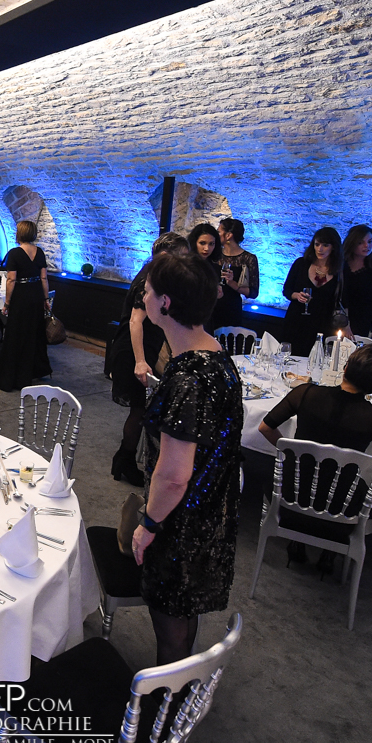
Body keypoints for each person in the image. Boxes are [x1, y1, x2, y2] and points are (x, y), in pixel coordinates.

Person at [129, 252, 244, 665]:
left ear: (165, 303)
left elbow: (174, 475)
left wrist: (147, 526)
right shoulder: (217, 357)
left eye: (148, 291)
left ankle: (168, 695)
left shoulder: (187, 379)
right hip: (210, 509)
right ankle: (177, 681)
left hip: (181, 521)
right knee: (183, 610)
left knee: (170, 625)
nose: (143, 297)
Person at [258, 343, 372, 574]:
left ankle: (297, 541)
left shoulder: (306, 393)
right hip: (341, 507)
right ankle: (330, 552)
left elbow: (265, 427)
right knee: (354, 487)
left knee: (305, 476)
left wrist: (290, 452)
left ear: (345, 368)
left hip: (291, 493)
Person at [108, 232, 191, 487]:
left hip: (146, 347)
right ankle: (125, 460)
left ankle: (125, 459)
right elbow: (135, 322)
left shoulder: (158, 275)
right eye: (181, 257)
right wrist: (140, 361)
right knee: (139, 409)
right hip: (133, 349)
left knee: (142, 409)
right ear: (165, 256)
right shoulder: (150, 279)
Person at [0, 219, 52, 392]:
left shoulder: (15, 253)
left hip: (21, 296)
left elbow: (11, 280)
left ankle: (11, 377)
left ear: (20, 233)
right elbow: (44, 278)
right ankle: (29, 372)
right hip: (36, 295)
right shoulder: (40, 252)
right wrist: (46, 299)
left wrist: (7, 303)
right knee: (33, 334)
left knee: (15, 335)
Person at [281, 226, 344, 354]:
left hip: (322, 323)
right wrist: (296, 295)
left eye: (325, 245)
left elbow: (341, 300)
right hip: (296, 319)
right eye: (317, 244)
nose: (320, 249)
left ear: (333, 247)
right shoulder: (301, 264)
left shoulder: (339, 271)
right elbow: (286, 290)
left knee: (316, 358)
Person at [339, 225, 372, 338]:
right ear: (352, 243)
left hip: (369, 317)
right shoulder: (341, 264)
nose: (367, 246)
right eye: (360, 242)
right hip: (342, 315)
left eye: (370, 241)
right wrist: (345, 322)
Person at [216, 218, 259, 328]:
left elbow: (253, 293)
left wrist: (233, 284)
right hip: (212, 305)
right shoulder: (215, 255)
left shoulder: (248, 258)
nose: (216, 235)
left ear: (228, 235)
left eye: (219, 232)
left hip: (231, 308)